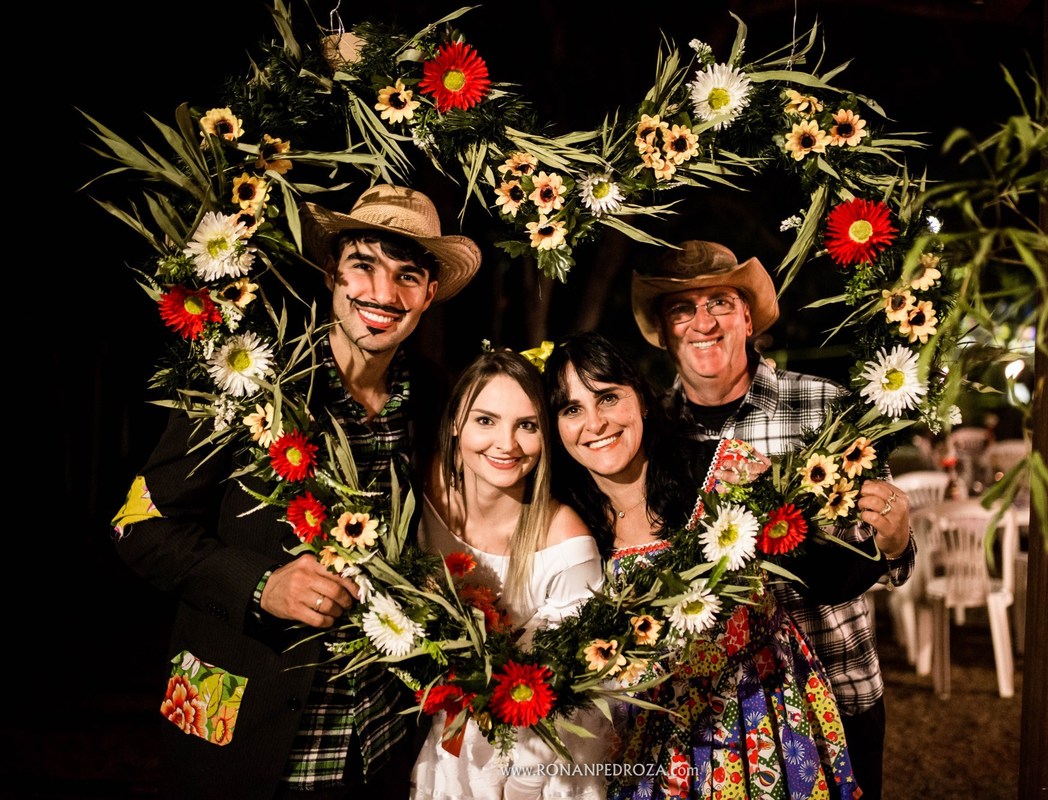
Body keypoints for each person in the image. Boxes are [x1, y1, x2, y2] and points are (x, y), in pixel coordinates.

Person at [110, 184, 481, 799]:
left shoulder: (433, 396)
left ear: (429, 293)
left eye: (407, 276)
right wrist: (261, 584)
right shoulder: (248, 379)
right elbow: (137, 526)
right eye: (364, 265)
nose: (383, 293)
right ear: (332, 271)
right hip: (238, 728)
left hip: (374, 740)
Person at [630, 240, 915, 800]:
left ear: (748, 318)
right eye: (682, 309)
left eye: (720, 303)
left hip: (838, 691)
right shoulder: (649, 435)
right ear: (664, 332)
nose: (703, 322)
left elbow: (885, 557)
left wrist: (898, 541)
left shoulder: (824, 407)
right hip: (710, 715)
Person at [544, 332, 865, 800]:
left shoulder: (724, 472)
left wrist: (885, 542)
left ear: (642, 400)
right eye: (572, 409)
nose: (595, 422)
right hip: (649, 747)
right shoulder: (567, 528)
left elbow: (828, 575)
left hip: (761, 718)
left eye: (608, 397)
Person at [411, 349, 609, 800]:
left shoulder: (564, 543)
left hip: (535, 761)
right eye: (486, 420)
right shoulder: (424, 487)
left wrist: (522, 785)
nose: (507, 444)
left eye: (527, 426)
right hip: (443, 743)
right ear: (455, 422)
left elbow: (577, 696)